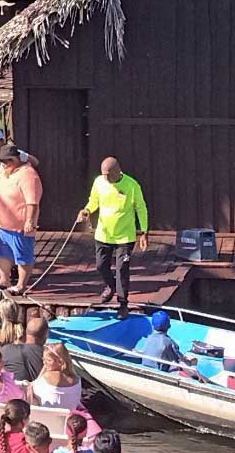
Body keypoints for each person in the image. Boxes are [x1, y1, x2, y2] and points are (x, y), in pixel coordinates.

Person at [77, 157, 148, 311]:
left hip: (125, 236)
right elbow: (93, 200)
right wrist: (87, 210)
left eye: (109, 175)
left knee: (122, 268)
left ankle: (123, 303)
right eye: (103, 175)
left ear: (118, 170)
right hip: (104, 233)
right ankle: (110, 285)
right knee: (101, 265)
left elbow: (140, 208)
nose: (106, 178)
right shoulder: (99, 182)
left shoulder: (131, 185)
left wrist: (144, 232)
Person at [0, 146, 43, 294]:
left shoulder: (28, 174)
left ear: (17, 159)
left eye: (9, 161)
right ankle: (4, 280)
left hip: (20, 226)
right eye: (3, 161)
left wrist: (30, 221)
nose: (6, 164)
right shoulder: (3, 171)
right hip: (1, 223)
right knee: (3, 253)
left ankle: (20, 285)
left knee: (23, 256)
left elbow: (32, 201)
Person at [28, 342, 83, 410]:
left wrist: (45, 369)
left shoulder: (47, 377)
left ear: (60, 362)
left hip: (47, 416)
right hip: (68, 417)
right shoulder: (77, 380)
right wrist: (47, 364)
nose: (44, 363)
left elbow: (32, 388)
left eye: (48, 360)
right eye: (43, 360)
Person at [2, 314, 48, 382]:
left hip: (13, 390)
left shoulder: (5, 350)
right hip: (38, 391)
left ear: (26, 331)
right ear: (46, 334)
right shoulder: (50, 356)